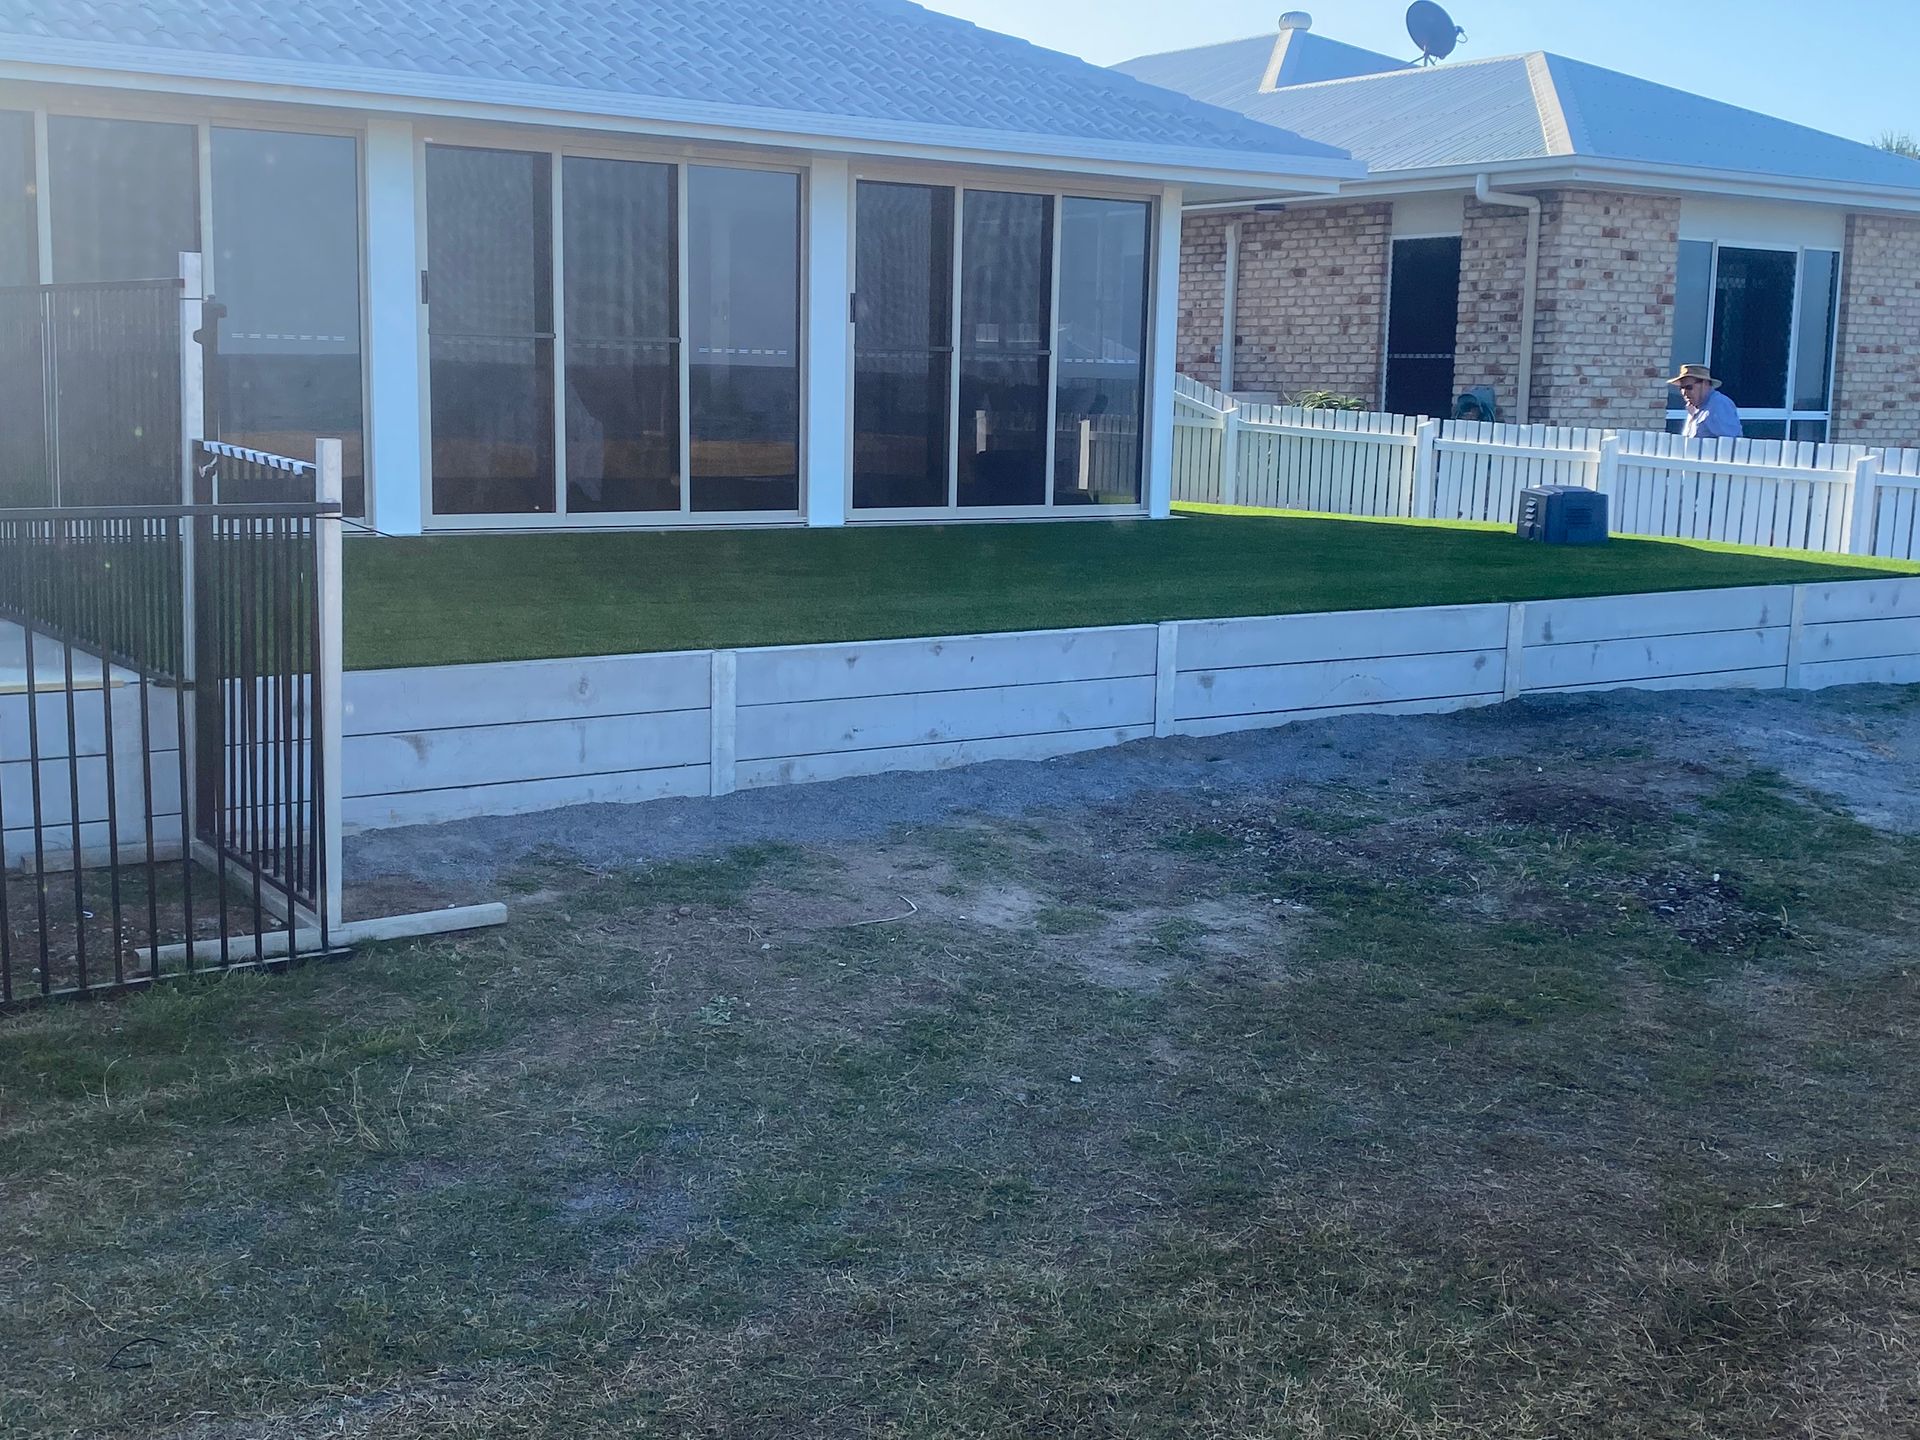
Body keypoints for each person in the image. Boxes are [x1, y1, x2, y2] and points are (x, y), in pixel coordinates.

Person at [1669, 364, 1742, 440]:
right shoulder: (1695, 407)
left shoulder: (1718, 404)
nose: (1684, 393)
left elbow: (1730, 442)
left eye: (1689, 387)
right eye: (1681, 388)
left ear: (1705, 384)